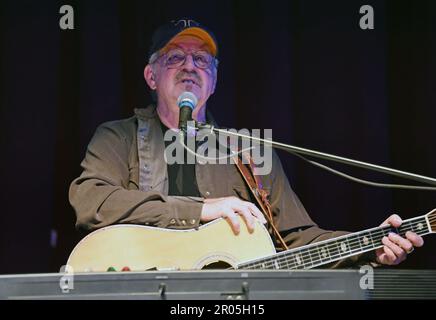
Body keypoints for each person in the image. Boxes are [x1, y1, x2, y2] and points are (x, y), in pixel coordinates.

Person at [69, 18, 423, 268]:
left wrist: (369, 247)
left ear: (214, 80)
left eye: (202, 60)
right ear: (151, 76)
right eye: (175, 57)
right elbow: (92, 201)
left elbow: (296, 240)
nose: (189, 66)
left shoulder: (251, 152)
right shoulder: (118, 136)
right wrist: (201, 210)